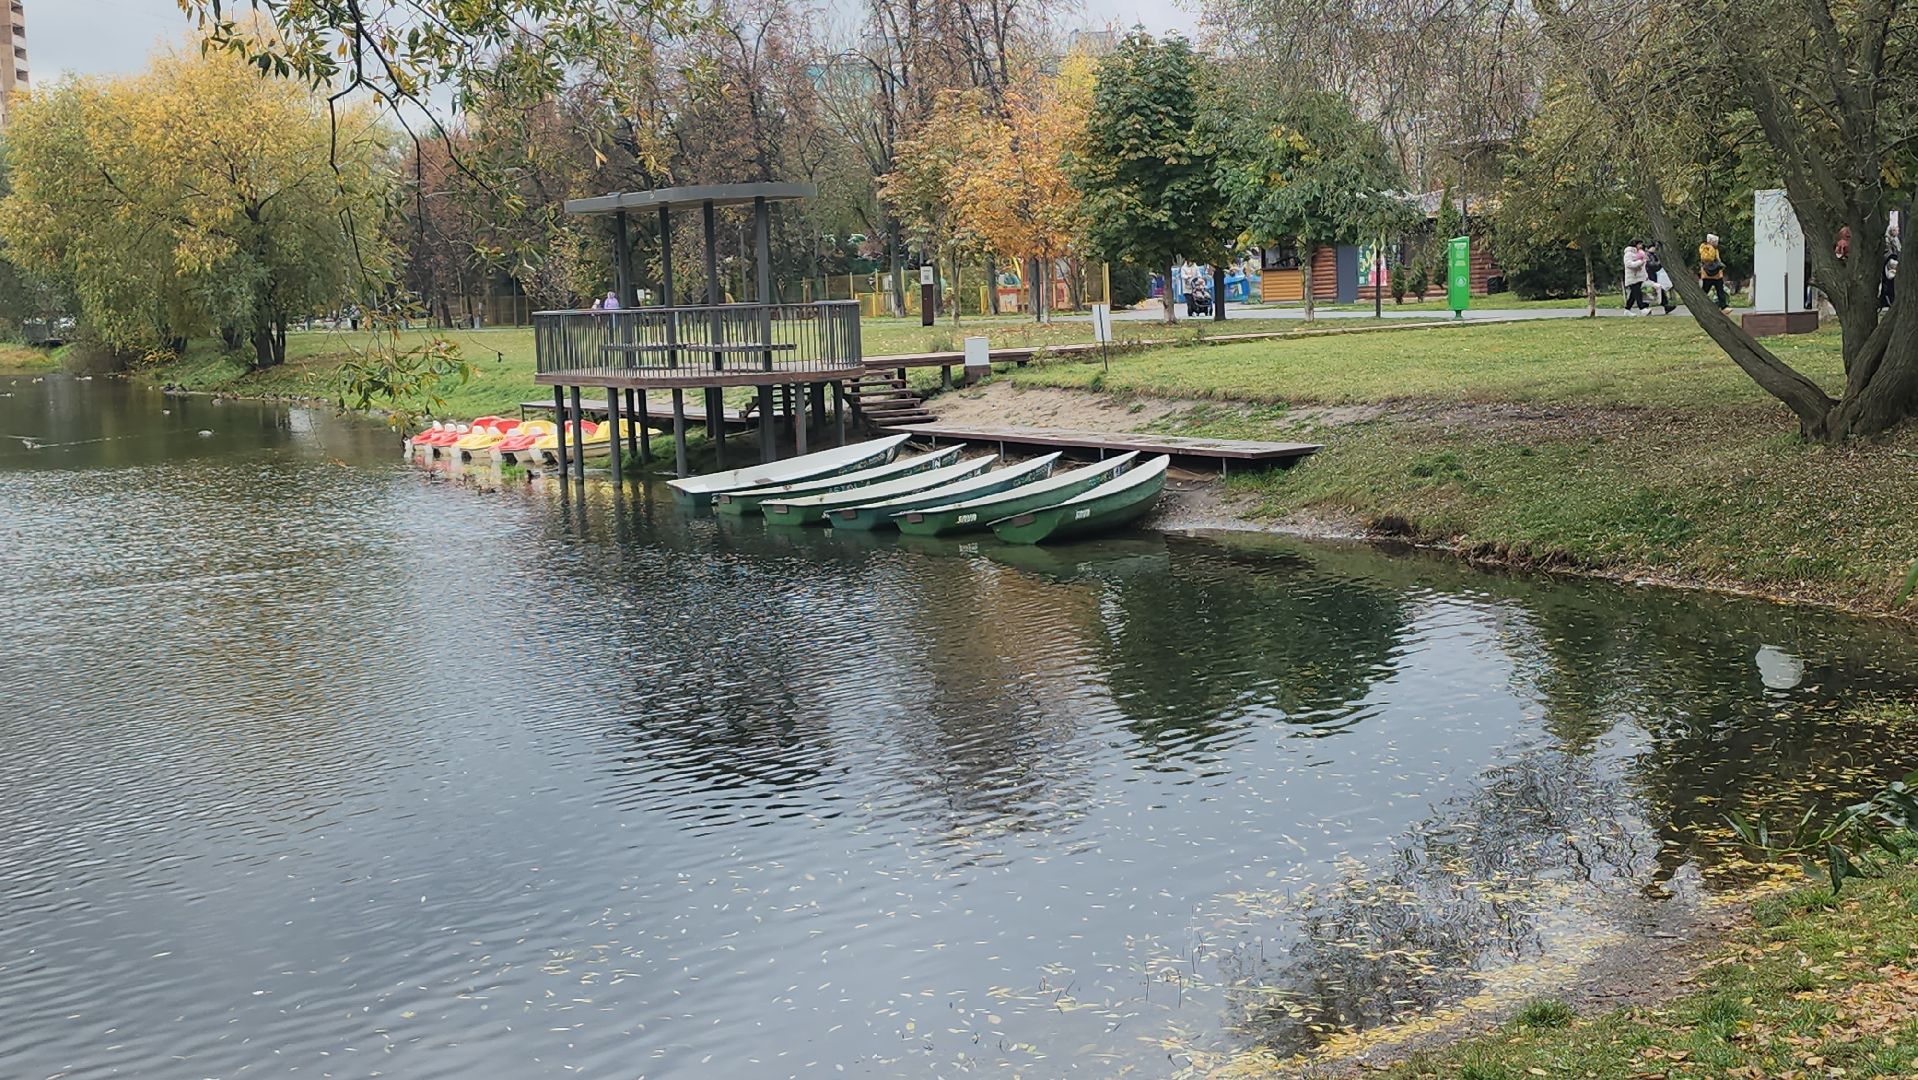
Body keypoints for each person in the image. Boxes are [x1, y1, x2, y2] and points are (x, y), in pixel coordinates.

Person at [1698, 232, 1729, 309]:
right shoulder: (1713, 249)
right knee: (1720, 290)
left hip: (1706, 274)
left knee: (1705, 290)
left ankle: (1700, 303)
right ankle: (1723, 305)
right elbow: (1716, 260)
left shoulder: (1704, 248)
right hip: (1716, 274)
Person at [1645, 242, 1675, 313]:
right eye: (1653, 247)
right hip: (1650, 275)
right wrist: (1660, 263)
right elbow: (1651, 265)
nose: (1654, 249)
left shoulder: (1653, 255)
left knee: (1658, 291)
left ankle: (1666, 306)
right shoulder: (1648, 255)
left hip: (1654, 275)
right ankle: (1644, 307)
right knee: (1651, 291)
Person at [1622, 240, 1649, 314]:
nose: (1641, 246)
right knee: (1637, 293)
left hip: (1639, 276)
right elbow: (1629, 264)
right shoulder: (1629, 254)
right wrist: (1640, 262)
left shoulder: (1640, 253)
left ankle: (1627, 310)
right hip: (1632, 277)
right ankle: (1642, 309)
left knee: (1633, 295)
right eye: (1639, 244)